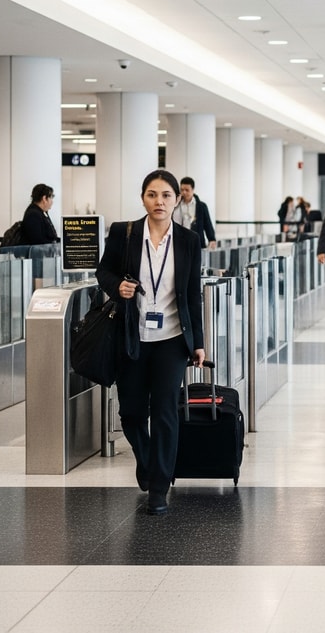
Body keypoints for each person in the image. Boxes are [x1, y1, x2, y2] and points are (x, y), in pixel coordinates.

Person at [97, 169, 206, 516]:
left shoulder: (188, 241)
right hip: (132, 335)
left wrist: (198, 342)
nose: (159, 202)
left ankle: (159, 487)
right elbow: (104, 271)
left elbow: (191, 295)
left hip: (172, 339)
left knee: (164, 413)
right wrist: (118, 287)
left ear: (178, 199)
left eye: (166, 196)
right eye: (152, 195)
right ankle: (146, 461)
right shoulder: (123, 233)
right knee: (130, 411)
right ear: (143, 198)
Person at [171, 177, 217, 249]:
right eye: (182, 190)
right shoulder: (175, 205)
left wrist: (212, 239)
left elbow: (207, 224)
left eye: (187, 190)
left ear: (193, 190)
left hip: (197, 243)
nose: (184, 192)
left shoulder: (201, 206)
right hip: (179, 242)